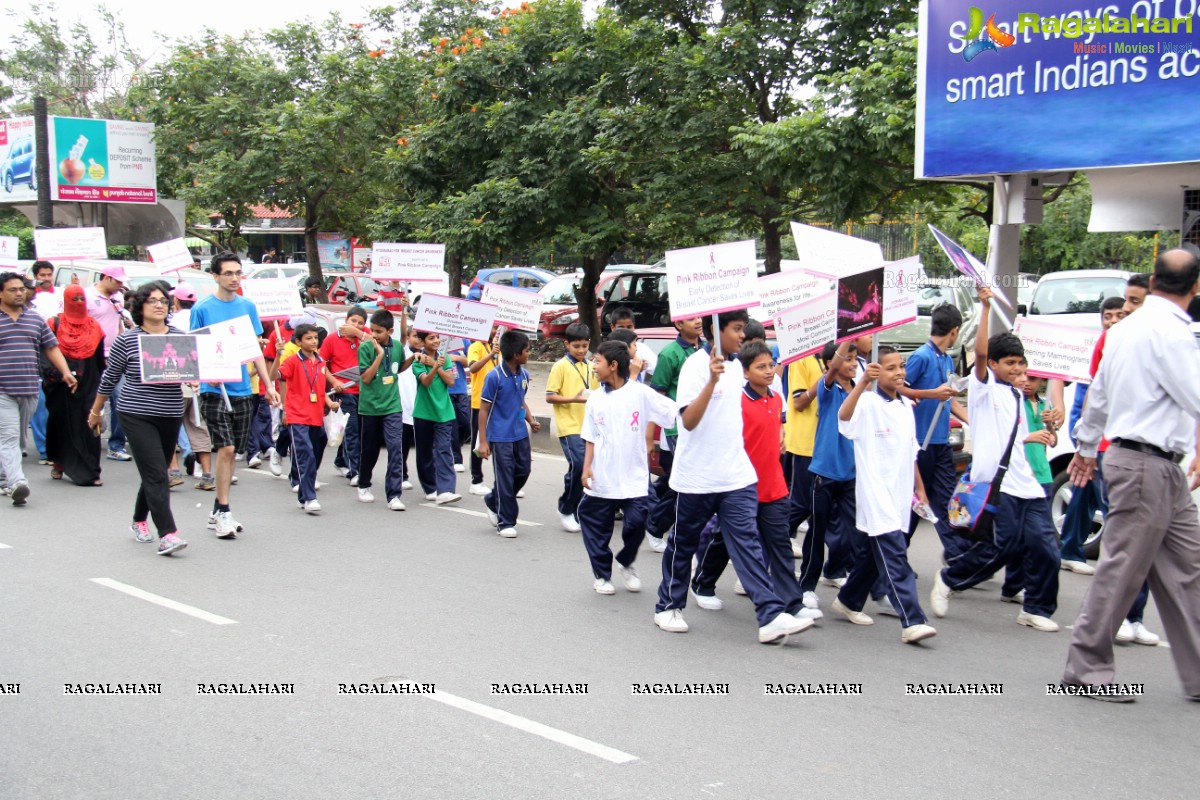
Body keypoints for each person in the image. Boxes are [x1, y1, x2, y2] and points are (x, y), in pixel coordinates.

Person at [1062, 248, 1200, 702]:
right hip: (1147, 464)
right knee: (1121, 570)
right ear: (1196, 287)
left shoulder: (1125, 329)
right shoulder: (1172, 334)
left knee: (1188, 568)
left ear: (1156, 280)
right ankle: (1086, 668)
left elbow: (1097, 394)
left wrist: (1084, 448)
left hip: (1147, 461)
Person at [653, 310, 813, 644]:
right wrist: (711, 381)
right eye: (737, 329)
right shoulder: (697, 367)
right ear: (717, 330)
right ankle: (668, 605)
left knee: (748, 543)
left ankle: (770, 616)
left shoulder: (740, 367)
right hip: (697, 476)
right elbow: (689, 422)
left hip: (736, 476)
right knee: (683, 543)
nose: (743, 335)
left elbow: (764, 401)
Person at [930, 286, 1061, 632]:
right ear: (993, 365)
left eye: (1021, 363)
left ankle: (1037, 609)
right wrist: (985, 307)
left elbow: (1012, 435)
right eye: (1011, 363)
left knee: (1046, 548)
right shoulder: (984, 387)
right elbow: (983, 348)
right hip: (997, 484)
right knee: (998, 549)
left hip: (1027, 483)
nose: (1018, 369)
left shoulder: (1018, 397)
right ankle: (949, 578)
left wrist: (1038, 433)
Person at [1062, 280, 1160, 644]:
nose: (1127, 312)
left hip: (1154, 456)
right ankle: (1111, 619)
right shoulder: (1114, 340)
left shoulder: (1164, 338)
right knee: (1122, 540)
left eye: (1135, 303)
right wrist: (1086, 445)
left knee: (1146, 543)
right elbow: (1097, 394)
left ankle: (1134, 617)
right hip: (1113, 448)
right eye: (1126, 303)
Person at [832, 347, 937, 643]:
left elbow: (910, 451)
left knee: (870, 553)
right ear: (879, 372)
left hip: (900, 491)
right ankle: (912, 620)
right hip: (876, 492)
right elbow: (844, 416)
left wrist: (919, 488)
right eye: (891, 368)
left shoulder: (905, 406)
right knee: (894, 554)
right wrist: (864, 382)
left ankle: (849, 599)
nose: (900, 372)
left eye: (901, 366)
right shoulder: (867, 401)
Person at [90, 282, 187, 555]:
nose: (159, 305)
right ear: (139, 307)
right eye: (152, 301)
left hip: (170, 412)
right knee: (157, 472)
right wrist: (96, 411)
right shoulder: (128, 339)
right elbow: (109, 378)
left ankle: (138, 520)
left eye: (163, 301)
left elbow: (192, 372)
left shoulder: (179, 337)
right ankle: (168, 534)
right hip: (136, 412)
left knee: (152, 471)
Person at [189, 253, 280, 538]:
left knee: (234, 451)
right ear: (215, 276)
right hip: (213, 390)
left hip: (242, 390)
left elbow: (253, 349)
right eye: (228, 273)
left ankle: (217, 509)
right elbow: (194, 348)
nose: (234, 277)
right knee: (225, 449)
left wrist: (268, 385)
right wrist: (206, 374)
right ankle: (225, 513)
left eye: (238, 272)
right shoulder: (202, 308)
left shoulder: (247, 307)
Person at [579, 340, 675, 594]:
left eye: (597, 361)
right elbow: (590, 436)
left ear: (612, 365)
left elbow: (672, 413)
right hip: (603, 476)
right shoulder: (595, 399)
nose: (593, 365)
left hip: (634, 477)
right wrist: (586, 467)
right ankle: (602, 574)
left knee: (637, 522)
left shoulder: (639, 393)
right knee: (596, 527)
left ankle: (626, 561)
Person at [737, 340, 822, 621]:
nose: (768, 371)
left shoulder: (775, 398)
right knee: (728, 543)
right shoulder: (737, 401)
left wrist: (780, 439)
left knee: (780, 547)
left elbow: (777, 431)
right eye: (760, 367)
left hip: (774, 487)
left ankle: (792, 602)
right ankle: (704, 580)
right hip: (743, 487)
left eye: (770, 365)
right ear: (745, 372)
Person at [0, 272, 77, 505]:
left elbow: (51, 347)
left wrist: (65, 372)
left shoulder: (34, 319)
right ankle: (17, 482)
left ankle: (4, 478)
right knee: (10, 436)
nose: (19, 293)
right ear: (1, 293)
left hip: (29, 387)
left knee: (19, 438)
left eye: (21, 289)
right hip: (2, 390)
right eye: (13, 289)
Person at [899, 303, 969, 557]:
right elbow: (900, 389)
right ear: (954, 331)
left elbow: (947, 399)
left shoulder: (947, 359)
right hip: (920, 442)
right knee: (918, 502)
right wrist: (930, 393)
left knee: (947, 499)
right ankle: (894, 555)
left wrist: (970, 419)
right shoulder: (921, 356)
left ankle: (957, 553)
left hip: (940, 442)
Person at [797, 340, 860, 610]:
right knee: (817, 531)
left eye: (856, 358)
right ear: (831, 365)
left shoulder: (860, 389)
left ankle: (841, 574)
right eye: (848, 358)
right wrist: (847, 335)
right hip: (824, 471)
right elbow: (833, 367)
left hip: (851, 472)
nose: (853, 363)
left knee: (852, 530)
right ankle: (807, 585)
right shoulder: (828, 389)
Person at [645, 316, 703, 551]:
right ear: (678, 325)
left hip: (702, 427)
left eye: (700, 317)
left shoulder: (706, 351)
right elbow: (657, 395)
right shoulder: (670, 354)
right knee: (684, 484)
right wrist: (650, 435)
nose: (697, 321)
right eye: (691, 318)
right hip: (677, 427)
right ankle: (656, 525)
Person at [477, 329, 541, 538]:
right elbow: (484, 409)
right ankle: (505, 521)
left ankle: (493, 499)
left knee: (523, 471)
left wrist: (530, 419)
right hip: (499, 436)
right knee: (504, 478)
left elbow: (519, 399)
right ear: (516, 354)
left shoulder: (524, 374)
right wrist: (484, 442)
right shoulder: (494, 377)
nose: (528, 353)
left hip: (519, 433)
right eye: (526, 350)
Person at [273, 323, 338, 514]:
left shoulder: (320, 362)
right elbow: (273, 376)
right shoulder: (292, 361)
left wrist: (329, 402)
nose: (313, 342)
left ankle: (303, 493)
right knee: (305, 455)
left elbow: (319, 389)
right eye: (308, 338)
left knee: (315, 453)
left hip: (316, 416)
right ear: (299, 341)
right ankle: (310, 498)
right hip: (297, 415)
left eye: (315, 338)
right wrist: (278, 355)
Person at [43, 284, 105, 486]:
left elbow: (98, 361)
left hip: (88, 383)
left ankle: (91, 471)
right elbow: (45, 354)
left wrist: (96, 384)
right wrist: (59, 375)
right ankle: (59, 463)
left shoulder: (94, 326)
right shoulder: (53, 323)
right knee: (61, 424)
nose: (78, 303)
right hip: (60, 384)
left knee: (89, 425)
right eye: (74, 299)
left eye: (81, 299)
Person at [546, 322, 599, 532]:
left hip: (589, 425)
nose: (581, 350)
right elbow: (550, 396)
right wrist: (574, 400)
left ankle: (578, 510)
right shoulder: (560, 366)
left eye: (585, 346)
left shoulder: (590, 366)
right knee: (578, 465)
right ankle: (566, 508)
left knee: (586, 469)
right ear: (566, 344)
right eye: (576, 346)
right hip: (569, 425)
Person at [357, 308, 411, 510]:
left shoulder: (397, 346)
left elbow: (397, 367)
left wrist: (413, 359)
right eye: (371, 330)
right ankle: (364, 483)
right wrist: (379, 355)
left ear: (389, 331)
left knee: (395, 448)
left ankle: (394, 495)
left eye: (378, 331)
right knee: (370, 450)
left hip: (392, 406)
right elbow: (366, 378)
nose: (373, 335)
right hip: (370, 407)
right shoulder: (365, 348)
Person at [86, 264, 132, 461]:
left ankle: (116, 445)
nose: (121, 286)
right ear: (106, 278)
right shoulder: (88, 296)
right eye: (117, 281)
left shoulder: (118, 298)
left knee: (121, 399)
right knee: (91, 400)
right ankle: (87, 441)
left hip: (115, 356)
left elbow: (118, 325)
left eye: (123, 282)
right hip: (92, 357)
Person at [412, 330, 462, 504]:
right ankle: (430, 487)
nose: (436, 341)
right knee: (424, 452)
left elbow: (451, 381)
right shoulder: (418, 360)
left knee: (443, 450)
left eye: (437, 337)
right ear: (422, 341)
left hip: (444, 412)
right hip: (424, 412)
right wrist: (434, 366)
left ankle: (446, 489)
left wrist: (436, 364)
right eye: (431, 338)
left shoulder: (445, 358)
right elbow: (425, 382)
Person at [322, 306, 368, 485]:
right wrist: (334, 381)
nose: (356, 325)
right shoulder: (332, 339)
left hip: (363, 390)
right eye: (353, 321)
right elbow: (322, 364)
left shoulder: (364, 336)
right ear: (346, 320)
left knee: (358, 430)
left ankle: (341, 460)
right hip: (343, 391)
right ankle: (354, 470)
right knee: (352, 430)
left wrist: (359, 333)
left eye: (360, 323)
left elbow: (377, 344)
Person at [784, 352, 823, 549]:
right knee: (802, 502)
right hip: (804, 442)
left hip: (824, 442)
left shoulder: (827, 357)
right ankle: (770, 536)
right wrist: (828, 376)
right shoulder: (802, 358)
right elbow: (799, 402)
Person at [28, 261, 59, 463]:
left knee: (48, 403)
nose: (46, 279)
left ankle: (51, 447)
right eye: (42, 275)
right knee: (37, 405)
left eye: (49, 274)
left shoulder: (58, 296)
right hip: (26, 363)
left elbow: (50, 343)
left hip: (51, 355)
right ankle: (44, 449)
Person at [466, 327, 501, 496]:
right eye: (492, 327)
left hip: (497, 401)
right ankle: (476, 480)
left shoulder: (496, 347)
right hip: (479, 402)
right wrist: (490, 355)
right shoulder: (476, 347)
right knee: (479, 441)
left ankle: (502, 481)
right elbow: (472, 368)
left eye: (495, 327)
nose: (494, 331)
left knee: (499, 442)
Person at [445, 338, 471, 474]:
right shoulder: (439, 338)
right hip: (446, 390)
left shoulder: (464, 341)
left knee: (465, 422)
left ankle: (454, 446)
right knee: (453, 425)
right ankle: (456, 459)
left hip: (460, 388)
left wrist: (457, 358)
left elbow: (471, 362)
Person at [609, 307, 657, 379]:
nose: (626, 331)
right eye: (621, 327)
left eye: (629, 327)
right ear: (612, 327)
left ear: (634, 326)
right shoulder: (606, 351)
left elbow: (658, 371)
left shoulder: (642, 349)